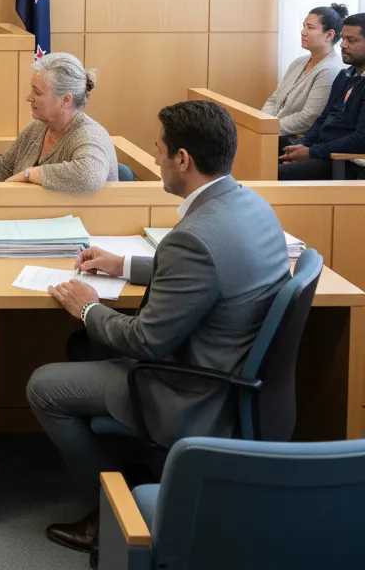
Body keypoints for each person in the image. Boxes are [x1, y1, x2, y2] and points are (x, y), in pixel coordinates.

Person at [26, 99, 289, 557]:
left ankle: (112, 511)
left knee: (43, 386)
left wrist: (88, 308)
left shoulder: (194, 237)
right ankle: (134, 469)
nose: (156, 157)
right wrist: (124, 264)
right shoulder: (249, 203)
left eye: (159, 149)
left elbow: (145, 340)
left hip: (190, 387)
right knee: (82, 347)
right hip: (234, 370)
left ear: (182, 159)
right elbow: (212, 272)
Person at [0, 52, 117, 193]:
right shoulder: (37, 128)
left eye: (37, 92)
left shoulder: (89, 134)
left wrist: (31, 174)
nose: (29, 97)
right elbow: (1, 172)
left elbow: (89, 175)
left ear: (66, 100)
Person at [279, 12, 365, 180]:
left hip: (343, 160)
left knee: (273, 174)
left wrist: (311, 152)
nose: (343, 45)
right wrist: (302, 146)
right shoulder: (345, 76)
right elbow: (323, 118)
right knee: (268, 151)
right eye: (343, 39)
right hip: (322, 150)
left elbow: (360, 139)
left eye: (351, 40)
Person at [262, 3, 346, 148]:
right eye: (303, 26)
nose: (303, 32)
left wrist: (269, 128)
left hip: (297, 142)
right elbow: (274, 99)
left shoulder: (330, 70)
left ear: (329, 35)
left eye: (310, 27)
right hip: (275, 132)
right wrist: (262, 122)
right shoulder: (298, 62)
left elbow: (309, 117)